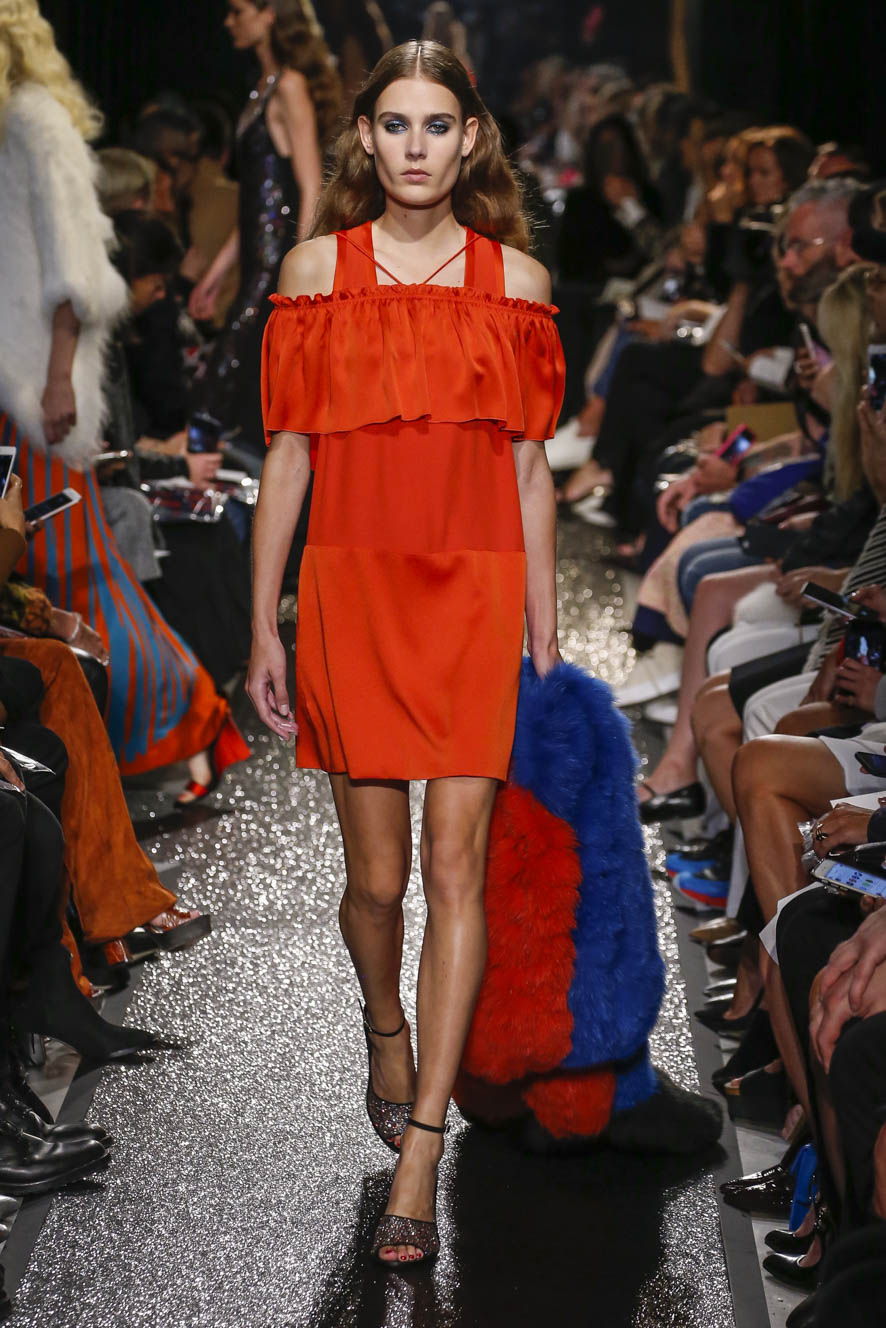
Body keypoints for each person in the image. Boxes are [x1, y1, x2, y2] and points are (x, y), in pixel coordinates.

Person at [248, 41, 564, 1265]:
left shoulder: (517, 283)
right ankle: (386, 1022)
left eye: (437, 124)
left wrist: (543, 624)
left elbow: (529, 466)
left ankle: (422, 1148)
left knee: (455, 867)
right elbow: (288, 454)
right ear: (365, 137)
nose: (416, 146)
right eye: (395, 124)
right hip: (354, 589)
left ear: (470, 138)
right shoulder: (315, 273)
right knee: (375, 884)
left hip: (475, 594)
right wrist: (261, 620)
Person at [0, 2, 248, 800]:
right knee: (47, 579)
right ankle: (99, 764)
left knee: (70, 570)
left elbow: (74, 269)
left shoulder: (35, 122)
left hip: (35, 392)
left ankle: (189, 724)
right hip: (18, 382)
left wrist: (59, 378)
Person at [190, 0, 341, 459]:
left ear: (269, 13)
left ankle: (217, 472)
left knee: (237, 373)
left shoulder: (289, 86)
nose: (228, 21)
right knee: (238, 372)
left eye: (238, 11)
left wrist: (302, 269)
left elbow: (310, 183)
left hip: (277, 260)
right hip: (259, 256)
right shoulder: (263, 87)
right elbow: (256, 201)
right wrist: (216, 273)